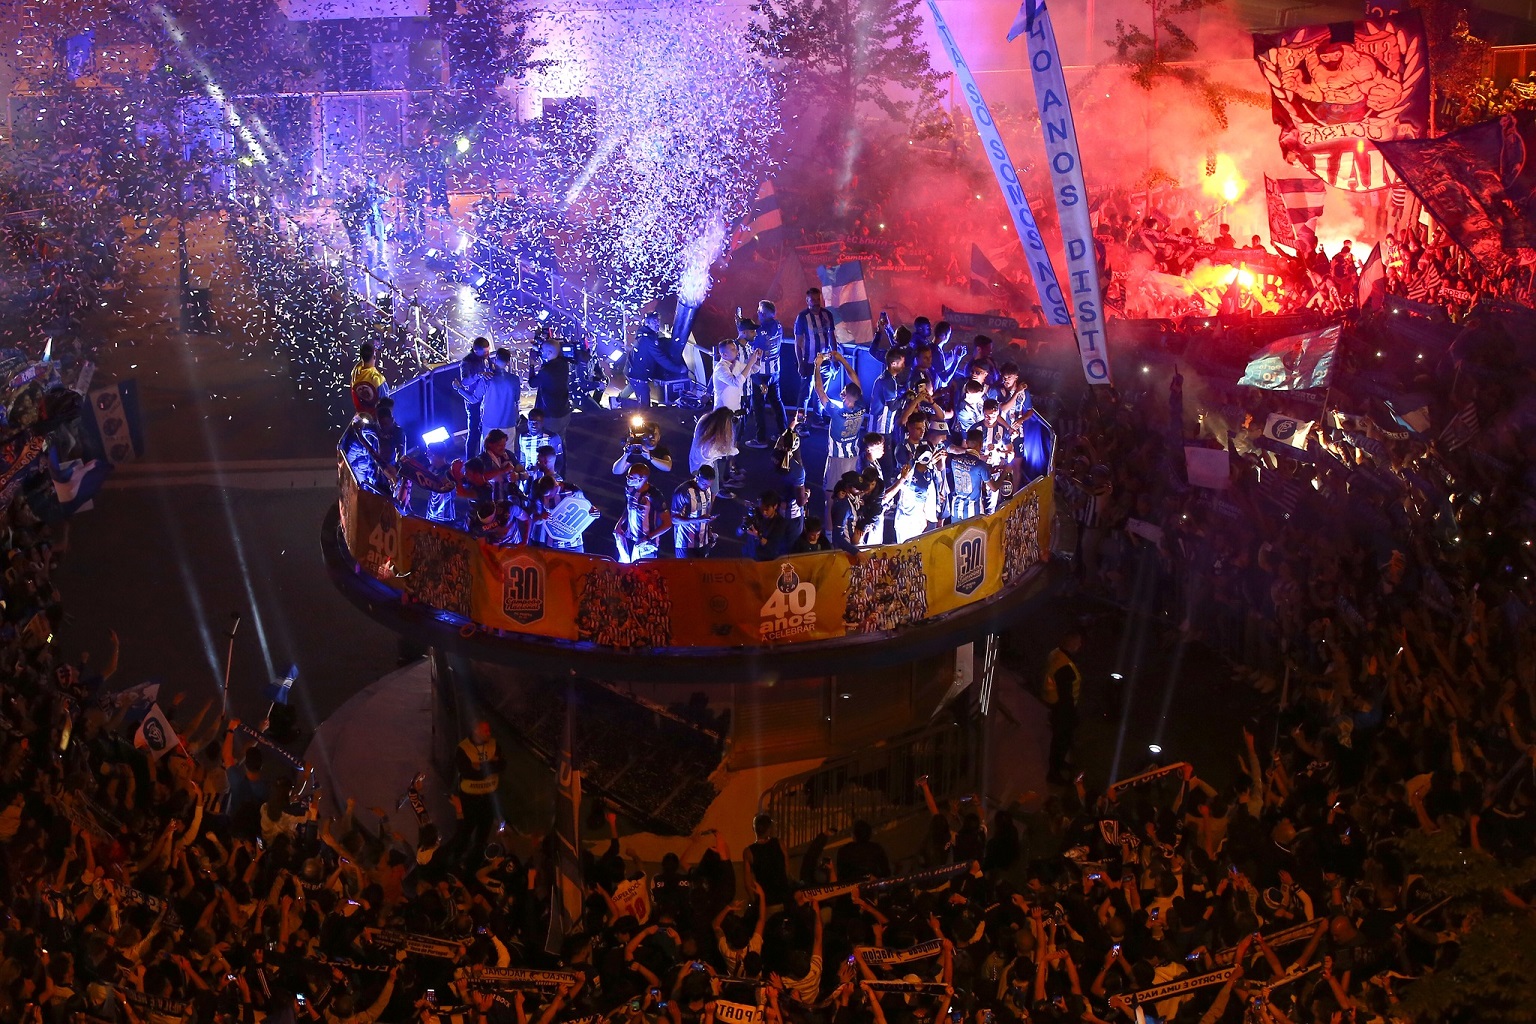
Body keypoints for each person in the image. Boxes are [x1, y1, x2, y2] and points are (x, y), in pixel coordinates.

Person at [812, 350, 864, 514]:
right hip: (853, 455)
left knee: (831, 492)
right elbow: (855, 380)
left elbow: (819, 390)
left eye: (844, 391)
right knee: (850, 488)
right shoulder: (861, 405)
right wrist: (842, 359)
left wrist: (817, 366)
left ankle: (830, 521)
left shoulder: (837, 412)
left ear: (845, 396)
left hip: (837, 457)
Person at [452, 720, 504, 869]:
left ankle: (474, 862)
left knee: (483, 833)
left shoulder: (494, 744)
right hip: (469, 798)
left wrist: (480, 766)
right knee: (465, 832)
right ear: (476, 731)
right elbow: (467, 773)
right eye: (485, 731)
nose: (489, 733)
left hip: (488, 798)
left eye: (489, 730)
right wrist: (490, 766)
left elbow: (502, 765)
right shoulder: (463, 748)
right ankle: (456, 860)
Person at [1043, 630, 1084, 784]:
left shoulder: (1056, 654)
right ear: (1072, 645)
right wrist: (1073, 716)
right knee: (1061, 741)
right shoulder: (1065, 668)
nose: (1080, 645)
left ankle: (1059, 763)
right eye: (1078, 643)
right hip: (1062, 710)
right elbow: (1066, 697)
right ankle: (1054, 773)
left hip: (1055, 705)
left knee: (1060, 740)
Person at [614, 459, 670, 563]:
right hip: (629, 539)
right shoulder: (629, 489)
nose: (628, 479)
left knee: (643, 572)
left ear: (641, 479)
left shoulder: (654, 495)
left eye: (631, 477)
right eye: (628, 476)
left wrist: (647, 538)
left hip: (647, 545)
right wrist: (619, 523)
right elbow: (628, 508)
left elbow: (667, 524)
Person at [793, 287, 836, 420]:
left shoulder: (827, 315)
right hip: (809, 361)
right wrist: (800, 363)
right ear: (807, 301)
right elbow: (798, 342)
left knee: (821, 391)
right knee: (805, 393)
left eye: (818, 299)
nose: (816, 302)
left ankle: (818, 418)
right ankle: (800, 421)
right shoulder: (802, 317)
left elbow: (832, 337)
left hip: (825, 361)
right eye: (813, 300)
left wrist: (834, 358)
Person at [748, 300, 786, 447]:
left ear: (763, 314)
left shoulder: (759, 332)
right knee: (777, 403)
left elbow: (751, 344)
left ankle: (761, 439)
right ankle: (783, 434)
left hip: (760, 373)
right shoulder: (778, 325)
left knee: (758, 406)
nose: (757, 313)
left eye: (759, 311)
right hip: (775, 371)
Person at [454, 336, 494, 458]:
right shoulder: (467, 362)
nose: (488, 354)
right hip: (473, 402)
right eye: (485, 352)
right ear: (476, 351)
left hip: (485, 400)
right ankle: (470, 461)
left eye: (488, 351)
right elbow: (465, 382)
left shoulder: (485, 358)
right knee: (474, 433)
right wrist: (479, 375)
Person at [529, 335, 574, 438]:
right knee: (560, 440)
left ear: (549, 353)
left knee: (549, 441)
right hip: (564, 411)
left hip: (551, 416)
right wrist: (542, 346)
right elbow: (553, 353)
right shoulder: (564, 363)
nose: (541, 352)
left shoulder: (546, 371)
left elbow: (532, 383)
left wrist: (531, 364)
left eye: (543, 350)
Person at [671, 465, 717, 557]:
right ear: (697, 477)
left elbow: (705, 513)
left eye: (709, 485)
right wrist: (698, 520)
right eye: (704, 484)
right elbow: (674, 519)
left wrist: (709, 531)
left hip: (703, 542)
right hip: (685, 544)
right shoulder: (683, 492)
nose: (706, 487)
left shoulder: (707, 489)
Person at [481, 347, 522, 441]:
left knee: (489, 448)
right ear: (508, 362)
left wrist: (459, 388)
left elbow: (474, 398)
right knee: (508, 448)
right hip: (508, 422)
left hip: (490, 422)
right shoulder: (514, 379)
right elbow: (516, 399)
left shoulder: (487, 378)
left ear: (495, 359)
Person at [740, 490, 789, 560]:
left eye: (767, 509)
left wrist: (757, 536)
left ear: (775, 506)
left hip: (766, 558)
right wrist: (745, 524)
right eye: (761, 509)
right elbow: (738, 532)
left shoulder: (780, 523)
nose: (764, 512)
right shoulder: (756, 512)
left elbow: (772, 546)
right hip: (750, 554)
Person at [350, 341, 387, 416]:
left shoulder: (355, 373)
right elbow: (386, 402)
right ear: (374, 357)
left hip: (363, 415)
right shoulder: (377, 378)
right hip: (378, 417)